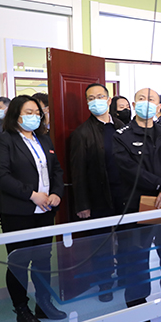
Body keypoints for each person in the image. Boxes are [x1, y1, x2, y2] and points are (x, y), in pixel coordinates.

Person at [0, 95, 66, 322]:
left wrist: (56, 193)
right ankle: (22, 311)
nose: (35, 116)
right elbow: (1, 176)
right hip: (18, 211)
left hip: (45, 210)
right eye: (28, 112)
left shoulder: (43, 138)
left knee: (43, 260)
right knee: (19, 262)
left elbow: (56, 170)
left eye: (37, 113)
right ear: (16, 114)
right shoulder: (3, 139)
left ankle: (44, 304)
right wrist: (32, 195)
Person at [113, 88, 161, 322]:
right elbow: (128, 169)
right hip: (137, 204)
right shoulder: (122, 136)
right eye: (141, 99)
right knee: (137, 257)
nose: (146, 103)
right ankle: (137, 305)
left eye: (151, 100)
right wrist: (160, 185)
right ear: (134, 104)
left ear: (159, 106)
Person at [69, 83, 125, 302]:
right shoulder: (82, 133)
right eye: (91, 98)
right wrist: (82, 204)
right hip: (98, 196)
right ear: (87, 103)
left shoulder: (122, 126)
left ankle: (125, 276)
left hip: (124, 195)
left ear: (109, 100)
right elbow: (77, 172)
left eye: (100, 96)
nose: (96, 101)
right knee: (101, 244)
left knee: (127, 238)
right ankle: (105, 284)